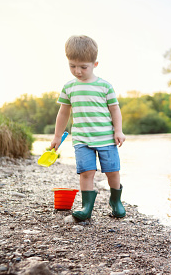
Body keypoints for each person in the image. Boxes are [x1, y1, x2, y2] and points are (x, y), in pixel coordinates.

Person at [50, 35, 126, 221]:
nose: (77, 71)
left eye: (83, 67)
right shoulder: (69, 87)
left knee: (112, 171)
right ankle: (86, 207)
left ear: (95, 64)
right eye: (72, 66)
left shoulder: (104, 86)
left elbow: (115, 109)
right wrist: (57, 136)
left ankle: (116, 202)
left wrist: (118, 130)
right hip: (82, 139)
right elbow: (63, 113)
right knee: (86, 172)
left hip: (106, 138)